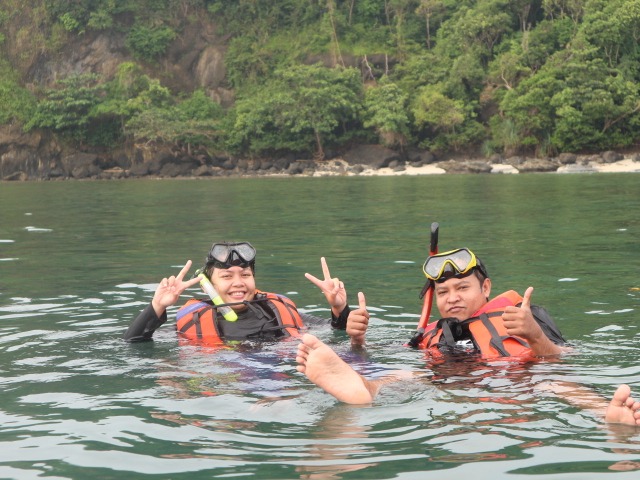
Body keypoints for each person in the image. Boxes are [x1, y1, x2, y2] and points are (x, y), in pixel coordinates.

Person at [295, 247, 640, 426]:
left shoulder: (522, 314)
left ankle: (606, 413)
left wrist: (536, 337)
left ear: (486, 287)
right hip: (450, 383)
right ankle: (363, 389)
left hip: (519, 379)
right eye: (443, 292)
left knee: (553, 383)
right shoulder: (430, 334)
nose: (452, 297)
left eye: (462, 287)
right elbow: (393, 354)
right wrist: (356, 341)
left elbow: (567, 358)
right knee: (408, 374)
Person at [124, 241, 354, 344]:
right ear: (208, 285)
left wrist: (339, 308)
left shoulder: (274, 308)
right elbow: (134, 341)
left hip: (284, 369)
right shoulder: (198, 318)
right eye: (226, 276)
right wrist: (157, 306)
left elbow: (338, 332)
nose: (238, 283)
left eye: (245, 275)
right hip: (230, 380)